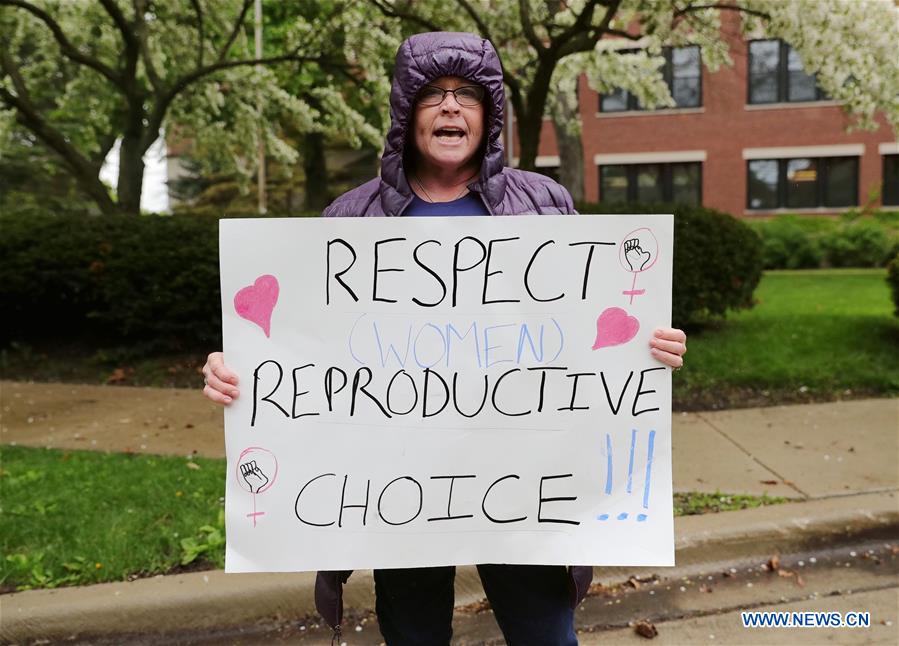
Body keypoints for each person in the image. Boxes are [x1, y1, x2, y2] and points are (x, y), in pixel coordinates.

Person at [203, 31, 687, 646]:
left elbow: (587, 324)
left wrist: (649, 348)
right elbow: (304, 345)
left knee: (546, 637)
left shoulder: (544, 205)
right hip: (398, 487)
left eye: (467, 94)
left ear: (490, 115)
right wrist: (241, 366)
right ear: (408, 112)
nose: (451, 106)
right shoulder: (350, 218)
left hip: (522, 481)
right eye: (433, 93)